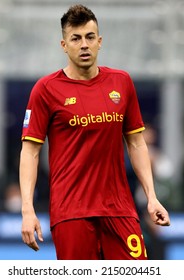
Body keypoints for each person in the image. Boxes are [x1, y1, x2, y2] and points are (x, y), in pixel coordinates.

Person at [19, 4, 170, 260]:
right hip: (71, 213)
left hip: (120, 210)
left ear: (99, 41)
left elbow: (136, 143)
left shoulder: (121, 82)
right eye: (76, 38)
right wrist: (26, 210)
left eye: (90, 37)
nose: (84, 44)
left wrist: (151, 197)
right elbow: (30, 152)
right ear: (64, 45)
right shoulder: (45, 90)